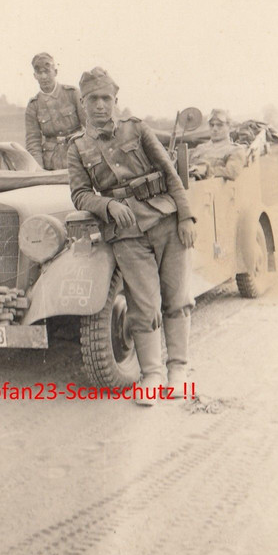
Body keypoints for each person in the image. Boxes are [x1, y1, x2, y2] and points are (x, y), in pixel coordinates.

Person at [67, 67, 196, 407]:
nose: (100, 105)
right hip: (125, 232)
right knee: (143, 305)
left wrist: (186, 216)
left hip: (166, 220)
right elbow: (80, 194)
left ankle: (179, 370)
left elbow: (170, 173)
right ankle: (152, 375)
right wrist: (107, 205)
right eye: (92, 99)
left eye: (105, 98)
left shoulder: (136, 128)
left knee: (177, 298)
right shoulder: (78, 147)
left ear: (115, 100)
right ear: (82, 102)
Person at [25, 53, 85, 170]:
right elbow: (33, 142)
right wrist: (38, 169)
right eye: (39, 73)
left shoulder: (72, 93)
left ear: (55, 72)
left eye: (47, 71)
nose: (43, 77)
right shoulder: (33, 105)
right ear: (35, 76)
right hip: (51, 163)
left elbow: (90, 126)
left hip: (78, 156)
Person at [189, 108, 246, 180]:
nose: (214, 129)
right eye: (211, 125)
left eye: (219, 125)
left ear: (230, 127)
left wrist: (206, 170)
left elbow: (231, 172)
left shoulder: (235, 150)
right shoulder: (200, 148)